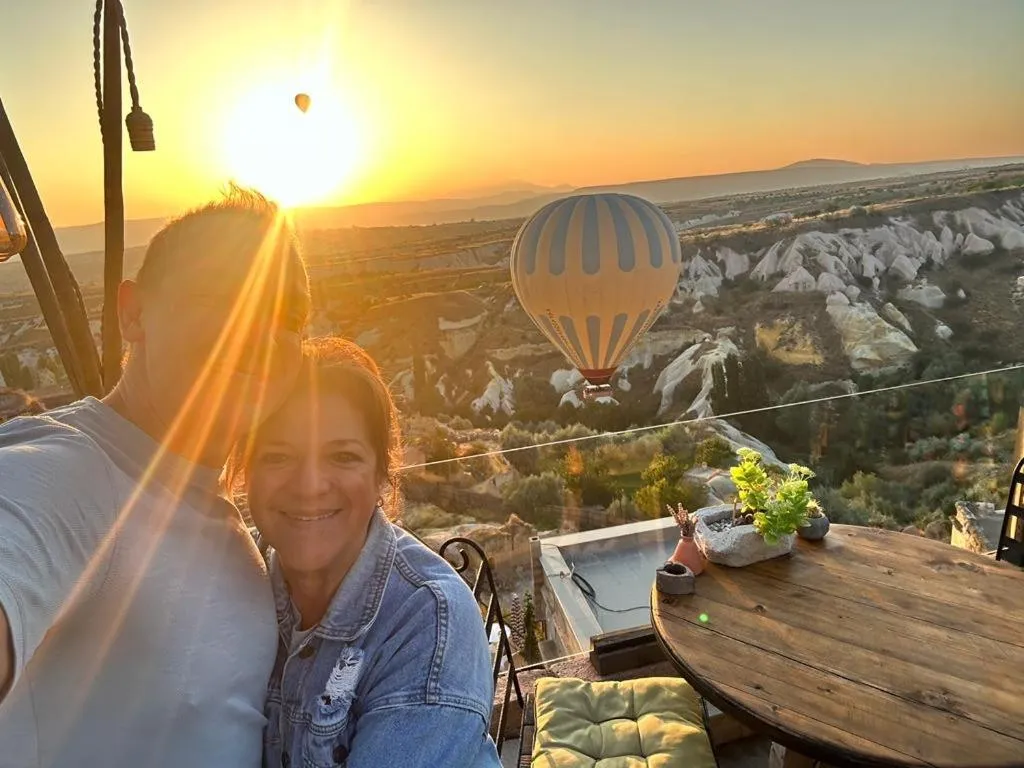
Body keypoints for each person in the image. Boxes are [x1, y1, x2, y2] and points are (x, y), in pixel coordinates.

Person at [0, 186, 310, 767]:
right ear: (133, 313)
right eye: (227, 296)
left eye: (288, 315)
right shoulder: (70, 473)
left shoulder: (208, 505)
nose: (262, 332)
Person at [237, 336, 501, 768]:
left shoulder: (427, 619)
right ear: (246, 472)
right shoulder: (231, 576)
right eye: (278, 456)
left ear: (382, 475)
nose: (309, 486)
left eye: (342, 456)